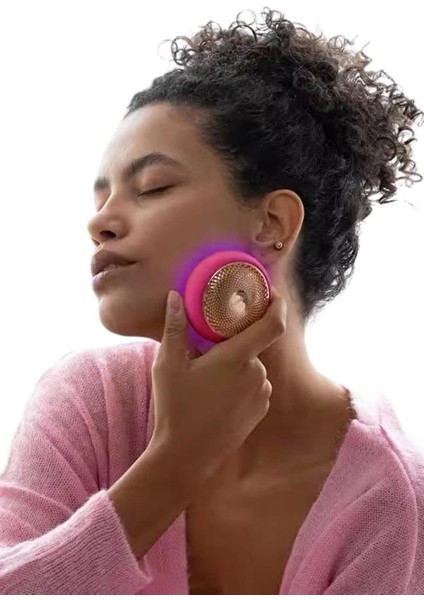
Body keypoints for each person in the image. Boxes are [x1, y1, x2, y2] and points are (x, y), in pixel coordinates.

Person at [0, 7, 423, 595]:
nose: (100, 223)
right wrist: (174, 464)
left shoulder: (392, 502)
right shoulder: (93, 401)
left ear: (272, 223)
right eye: (101, 199)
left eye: (152, 187)